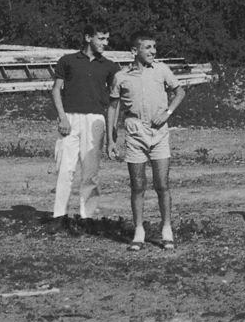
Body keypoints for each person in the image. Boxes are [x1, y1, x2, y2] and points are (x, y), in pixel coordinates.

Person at [108, 31, 185, 250]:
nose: (153, 51)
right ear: (134, 51)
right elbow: (113, 107)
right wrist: (111, 140)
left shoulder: (161, 70)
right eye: (148, 47)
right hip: (134, 132)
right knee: (138, 185)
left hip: (159, 132)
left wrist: (168, 112)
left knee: (162, 184)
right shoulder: (121, 77)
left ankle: (166, 228)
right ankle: (139, 231)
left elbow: (180, 92)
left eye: (154, 47)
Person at [50, 22, 118, 226]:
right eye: (101, 38)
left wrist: (113, 134)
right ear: (88, 38)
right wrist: (62, 117)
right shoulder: (68, 61)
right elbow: (56, 90)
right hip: (70, 118)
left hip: (95, 120)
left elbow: (116, 99)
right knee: (64, 168)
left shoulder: (109, 66)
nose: (105, 43)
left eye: (107, 39)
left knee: (91, 171)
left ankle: (86, 217)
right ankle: (59, 216)